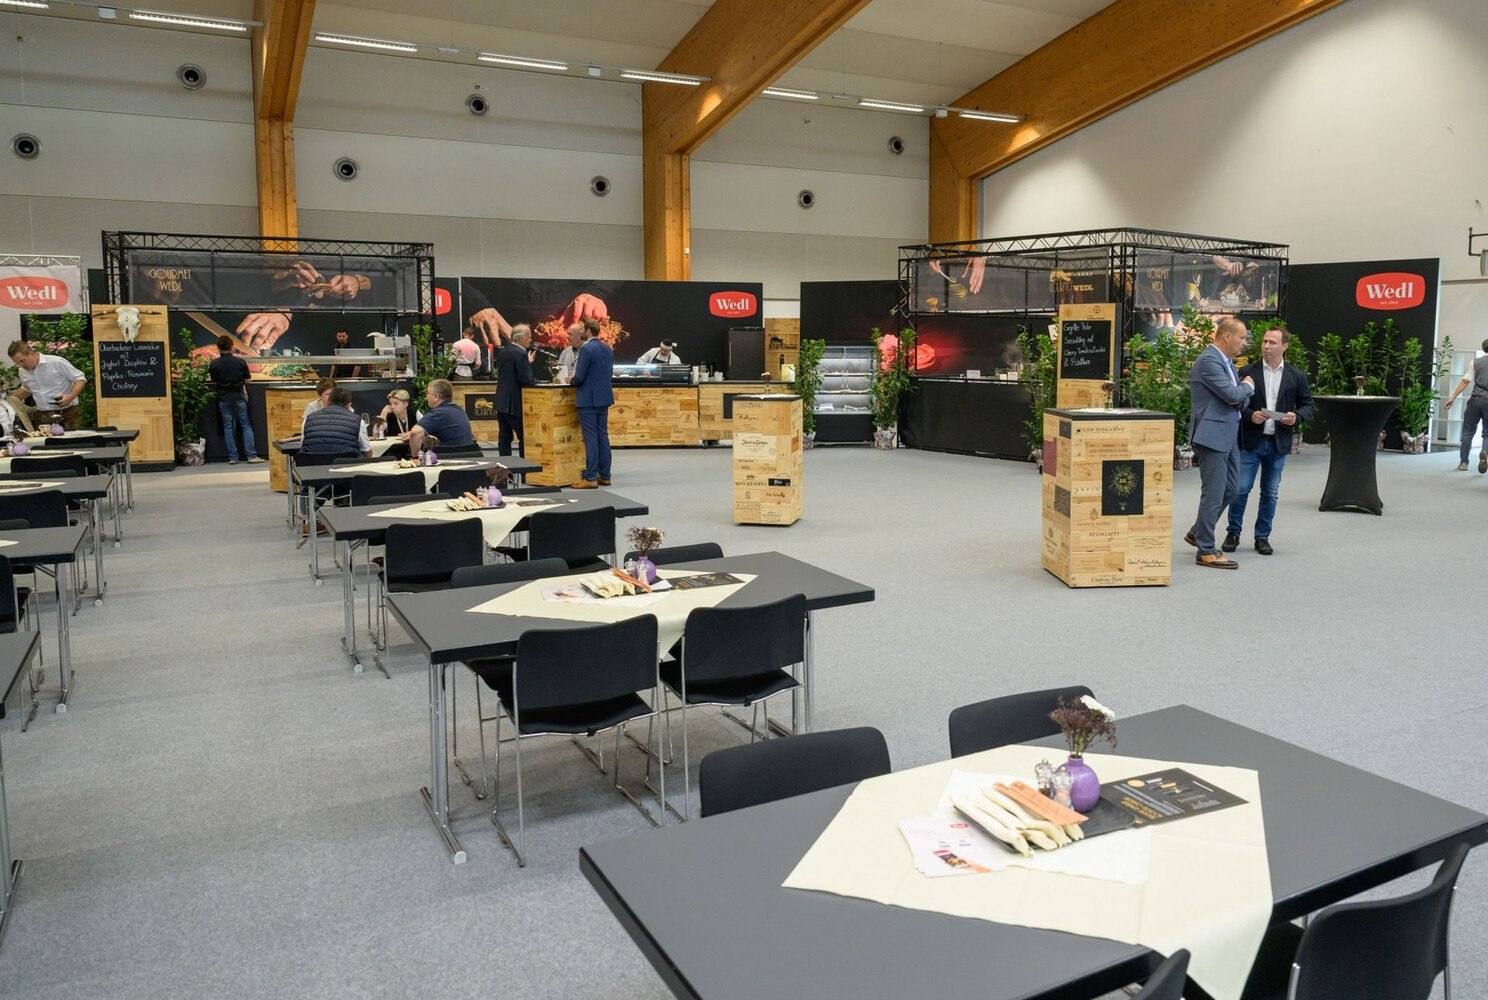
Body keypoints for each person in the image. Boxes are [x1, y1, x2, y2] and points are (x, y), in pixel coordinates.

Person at [1224, 325, 1314, 555]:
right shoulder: (1247, 372)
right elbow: (1233, 404)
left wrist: (1297, 418)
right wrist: (1250, 415)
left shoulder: (1296, 376)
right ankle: (1233, 533)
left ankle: (1262, 537)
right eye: (1264, 342)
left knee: (1270, 493)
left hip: (1278, 443)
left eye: (1272, 342)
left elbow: (1308, 405)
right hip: (1251, 441)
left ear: (1284, 346)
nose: (1266, 346)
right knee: (1240, 489)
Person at [1184, 317, 1255, 569]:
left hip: (1228, 434)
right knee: (1213, 493)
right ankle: (1205, 549)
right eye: (1242, 337)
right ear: (1227, 336)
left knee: (1232, 489)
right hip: (1211, 436)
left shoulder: (1227, 363)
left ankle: (1197, 531)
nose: (1244, 343)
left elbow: (1239, 401)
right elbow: (1234, 395)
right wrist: (1246, 386)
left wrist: (1240, 393)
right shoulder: (1208, 361)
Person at [570, 319, 614, 488]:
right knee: (603, 436)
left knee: (590, 438)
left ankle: (590, 478)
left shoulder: (586, 349)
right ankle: (605, 475)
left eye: (582, 329)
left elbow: (579, 377)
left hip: (588, 399)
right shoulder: (607, 348)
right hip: (604, 398)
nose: (580, 331)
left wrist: (571, 380)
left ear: (588, 331)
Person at [207, 335, 264, 465]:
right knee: (245, 424)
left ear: (218, 348)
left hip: (223, 398)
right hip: (239, 396)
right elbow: (248, 379)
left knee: (228, 426)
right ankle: (251, 456)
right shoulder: (240, 362)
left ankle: (233, 458)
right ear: (232, 346)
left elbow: (213, 380)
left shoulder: (214, 364)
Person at [7, 340, 86, 430]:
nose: (20, 365)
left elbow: (79, 378)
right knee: (44, 442)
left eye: (22, 361)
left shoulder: (56, 362)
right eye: (17, 363)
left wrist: (71, 396)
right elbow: (27, 389)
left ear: (31, 353)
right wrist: (7, 400)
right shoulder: (22, 371)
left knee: (72, 442)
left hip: (67, 413)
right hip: (42, 415)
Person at [1443, 338, 1488, 473]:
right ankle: (1485, 451)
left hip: (1475, 400)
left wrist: (1452, 397)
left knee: (1468, 431)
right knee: (1487, 433)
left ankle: (1464, 462)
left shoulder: (1475, 362)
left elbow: (1465, 381)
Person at [495, 324, 537, 457]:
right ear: (521, 338)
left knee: (504, 438)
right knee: (524, 437)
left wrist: (526, 363)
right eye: (529, 336)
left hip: (501, 402)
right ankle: (525, 473)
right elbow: (526, 379)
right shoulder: (520, 353)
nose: (530, 340)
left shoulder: (504, 351)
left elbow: (510, 373)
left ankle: (505, 472)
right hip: (513, 404)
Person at [405, 378, 476, 454]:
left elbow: (415, 433)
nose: (426, 397)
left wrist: (415, 457)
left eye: (428, 393)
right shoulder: (460, 410)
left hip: (447, 458)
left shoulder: (437, 413)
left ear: (436, 397)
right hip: (468, 457)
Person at [301, 386, 371, 458]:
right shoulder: (358, 421)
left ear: (328, 401)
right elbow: (366, 451)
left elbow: (302, 446)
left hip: (311, 466)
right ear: (349, 405)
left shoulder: (308, 419)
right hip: (348, 466)